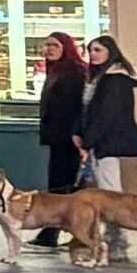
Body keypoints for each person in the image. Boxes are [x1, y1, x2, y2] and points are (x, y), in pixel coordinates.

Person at [89, 30, 137, 194]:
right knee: (106, 180)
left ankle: (114, 217)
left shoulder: (113, 81)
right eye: (91, 50)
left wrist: (89, 139)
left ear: (110, 52)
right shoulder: (107, 79)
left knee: (109, 185)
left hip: (108, 140)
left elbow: (106, 113)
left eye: (98, 50)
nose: (92, 54)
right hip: (106, 139)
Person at [39, 29, 94, 196]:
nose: (50, 49)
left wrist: (76, 133)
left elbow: (77, 106)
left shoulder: (74, 71)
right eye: (47, 45)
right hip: (57, 136)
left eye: (55, 45)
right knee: (57, 178)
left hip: (68, 136)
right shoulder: (55, 71)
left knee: (64, 180)